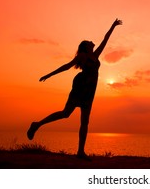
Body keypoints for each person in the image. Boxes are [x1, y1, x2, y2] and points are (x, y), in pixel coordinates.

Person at [27, 18, 122, 159]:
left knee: (85, 121)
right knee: (65, 113)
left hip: (90, 91)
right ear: (85, 46)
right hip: (80, 87)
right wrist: (49, 75)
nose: (92, 41)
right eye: (89, 41)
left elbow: (105, 39)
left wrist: (113, 26)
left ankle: (80, 152)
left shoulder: (95, 55)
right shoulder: (82, 56)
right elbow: (66, 66)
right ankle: (37, 124)